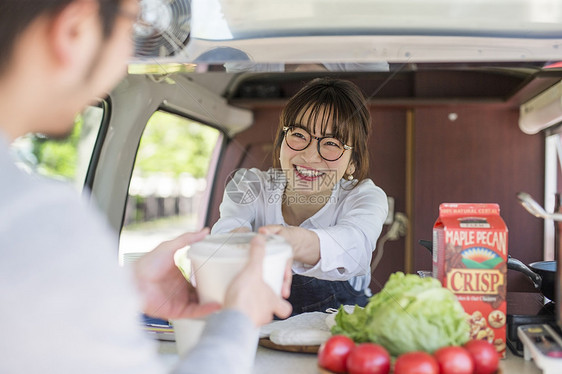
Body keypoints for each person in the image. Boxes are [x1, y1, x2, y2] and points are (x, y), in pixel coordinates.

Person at [0, 1, 291, 373]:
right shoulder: (33, 216)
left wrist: (123, 287)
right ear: (75, 30)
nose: (128, 59)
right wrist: (238, 319)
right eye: (131, 29)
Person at [212, 77, 389, 315]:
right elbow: (225, 239)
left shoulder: (365, 196)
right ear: (281, 142)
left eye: (331, 143)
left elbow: (355, 248)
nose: (309, 156)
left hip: (340, 326)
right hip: (262, 324)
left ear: (352, 164)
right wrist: (235, 244)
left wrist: (287, 241)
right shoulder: (248, 184)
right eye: (299, 135)